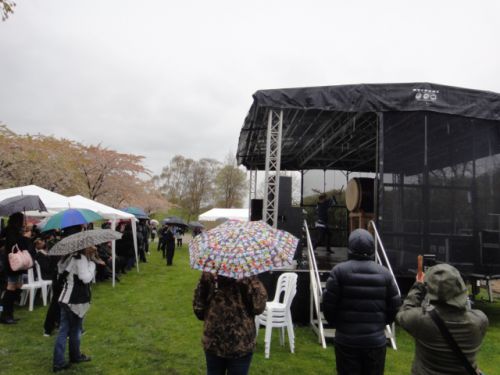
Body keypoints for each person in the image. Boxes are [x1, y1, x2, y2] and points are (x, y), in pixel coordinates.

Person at [322, 228, 401, 375]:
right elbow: (394, 306)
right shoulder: (385, 274)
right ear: (372, 247)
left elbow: (328, 305)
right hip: (375, 341)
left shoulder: (338, 272)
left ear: (350, 247)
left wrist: (339, 325)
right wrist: (381, 325)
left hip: (346, 340)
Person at [396, 263, 488, 375]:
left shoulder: (420, 320)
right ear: (460, 285)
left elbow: (403, 314)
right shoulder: (480, 320)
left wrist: (418, 286)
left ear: (429, 287)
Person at [193, 272, 267, 375]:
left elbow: (198, 308)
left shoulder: (209, 273)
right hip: (241, 341)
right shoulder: (248, 275)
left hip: (214, 338)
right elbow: (259, 307)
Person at [52, 246, 96, 372]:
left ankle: (62, 360)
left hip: (65, 298)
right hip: (75, 300)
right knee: (74, 330)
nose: (93, 248)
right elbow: (86, 278)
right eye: (91, 247)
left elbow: (61, 273)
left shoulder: (67, 257)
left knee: (65, 330)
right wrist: (92, 265)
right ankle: (69, 358)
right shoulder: (80, 258)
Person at [0, 212, 34, 325]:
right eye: (23, 219)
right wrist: (25, 237)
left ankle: (9, 313)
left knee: (17, 287)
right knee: (11, 287)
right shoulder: (11, 230)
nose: (24, 221)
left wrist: (23, 234)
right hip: (13, 263)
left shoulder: (13, 230)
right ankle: (6, 315)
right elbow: (15, 244)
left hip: (15, 263)